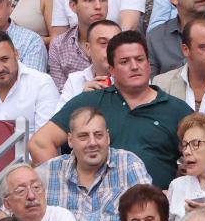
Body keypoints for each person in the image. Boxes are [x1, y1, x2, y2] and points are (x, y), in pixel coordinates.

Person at [33, 31, 193, 189]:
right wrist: (64, 191)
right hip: (95, 209)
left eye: (140, 59)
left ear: (148, 63)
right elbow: (40, 143)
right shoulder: (90, 101)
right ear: (112, 69)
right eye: (124, 62)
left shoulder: (176, 109)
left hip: (155, 207)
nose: (134, 66)